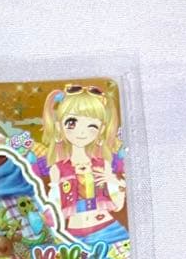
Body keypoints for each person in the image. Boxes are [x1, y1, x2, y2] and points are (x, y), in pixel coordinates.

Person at [38, 84, 128, 248]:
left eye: (91, 126)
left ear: (101, 130)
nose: (82, 132)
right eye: (72, 122)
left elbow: (117, 205)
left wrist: (113, 182)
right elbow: (54, 206)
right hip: (75, 236)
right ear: (59, 126)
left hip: (110, 232)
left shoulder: (103, 163)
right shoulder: (57, 168)